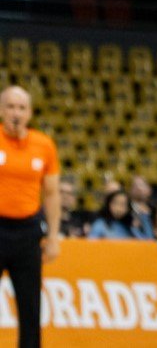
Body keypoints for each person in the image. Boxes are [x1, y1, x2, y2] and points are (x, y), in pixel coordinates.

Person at [0, 86, 61, 348]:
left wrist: (54, 236)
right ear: (1, 111)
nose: (16, 113)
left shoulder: (44, 144)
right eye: (11, 107)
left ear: (30, 113)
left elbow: (52, 193)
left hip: (27, 233)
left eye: (22, 108)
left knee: (30, 307)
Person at [88, 189, 155, 240]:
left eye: (123, 204)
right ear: (109, 205)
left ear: (128, 208)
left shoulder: (130, 227)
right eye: (116, 203)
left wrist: (145, 218)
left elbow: (149, 243)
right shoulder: (100, 224)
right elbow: (91, 246)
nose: (119, 208)